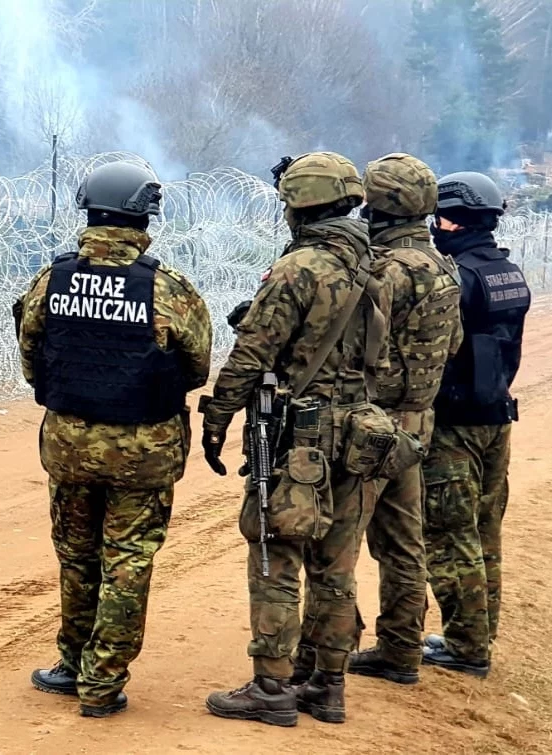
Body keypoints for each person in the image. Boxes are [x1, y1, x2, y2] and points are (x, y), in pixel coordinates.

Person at [15, 160, 213, 718]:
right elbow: (197, 366)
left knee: (76, 557)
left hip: (70, 445)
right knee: (128, 560)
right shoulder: (168, 288)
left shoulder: (51, 280)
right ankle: (101, 684)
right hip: (144, 449)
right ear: (145, 215)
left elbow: (32, 358)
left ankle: (70, 663)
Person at [200, 152, 389, 727]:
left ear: (299, 205)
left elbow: (252, 354)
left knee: (275, 553)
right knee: (337, 566)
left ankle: (271, 686)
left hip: (297, 433)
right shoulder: (375, 266)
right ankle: (327, 686)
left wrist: (217, 416)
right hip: (359, 430)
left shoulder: (299, 268)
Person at [347, 154, 463, 686]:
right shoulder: (444, 267)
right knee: (403, 543)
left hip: (369, 425)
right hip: (417, 423)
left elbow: (349, 347)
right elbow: (453, 342)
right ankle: (400, 650)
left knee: (336, 539)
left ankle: (328, 649)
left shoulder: (381, 270)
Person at [421, 171, 531, 678]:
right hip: (496, 417)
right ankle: (478, 635)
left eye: (437, 218)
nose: (433, 227)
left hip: (455, 423)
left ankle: (466, 647)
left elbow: (432, 349)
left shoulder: (457, 278)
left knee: (449, 535)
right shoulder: (507, 272)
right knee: (485, 532)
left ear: (453, 219)